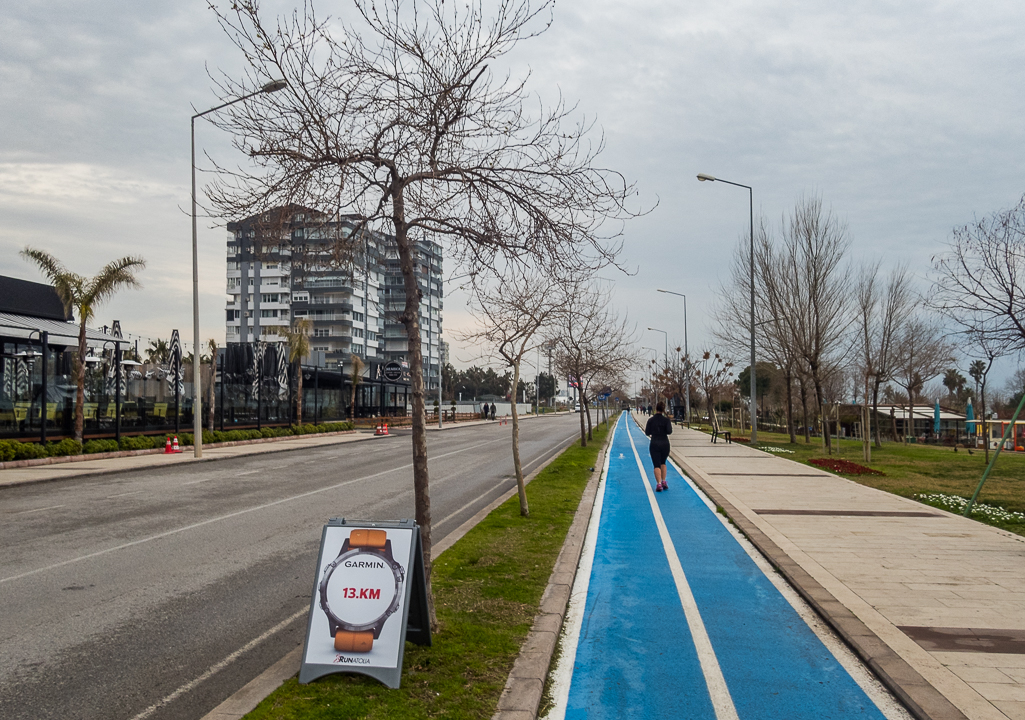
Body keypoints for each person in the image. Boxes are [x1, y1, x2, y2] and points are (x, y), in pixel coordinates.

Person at [644, 401, 673, 492]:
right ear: (663, 409)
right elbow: (669, 431)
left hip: (655, 443)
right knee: (663, 462)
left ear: (656, 409)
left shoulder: (651, 420)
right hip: (665, 443)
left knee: (656, 464)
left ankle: (658, 484)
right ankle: (664, 481)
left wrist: (653, 434)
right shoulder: (666, 420)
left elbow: (647, 432)